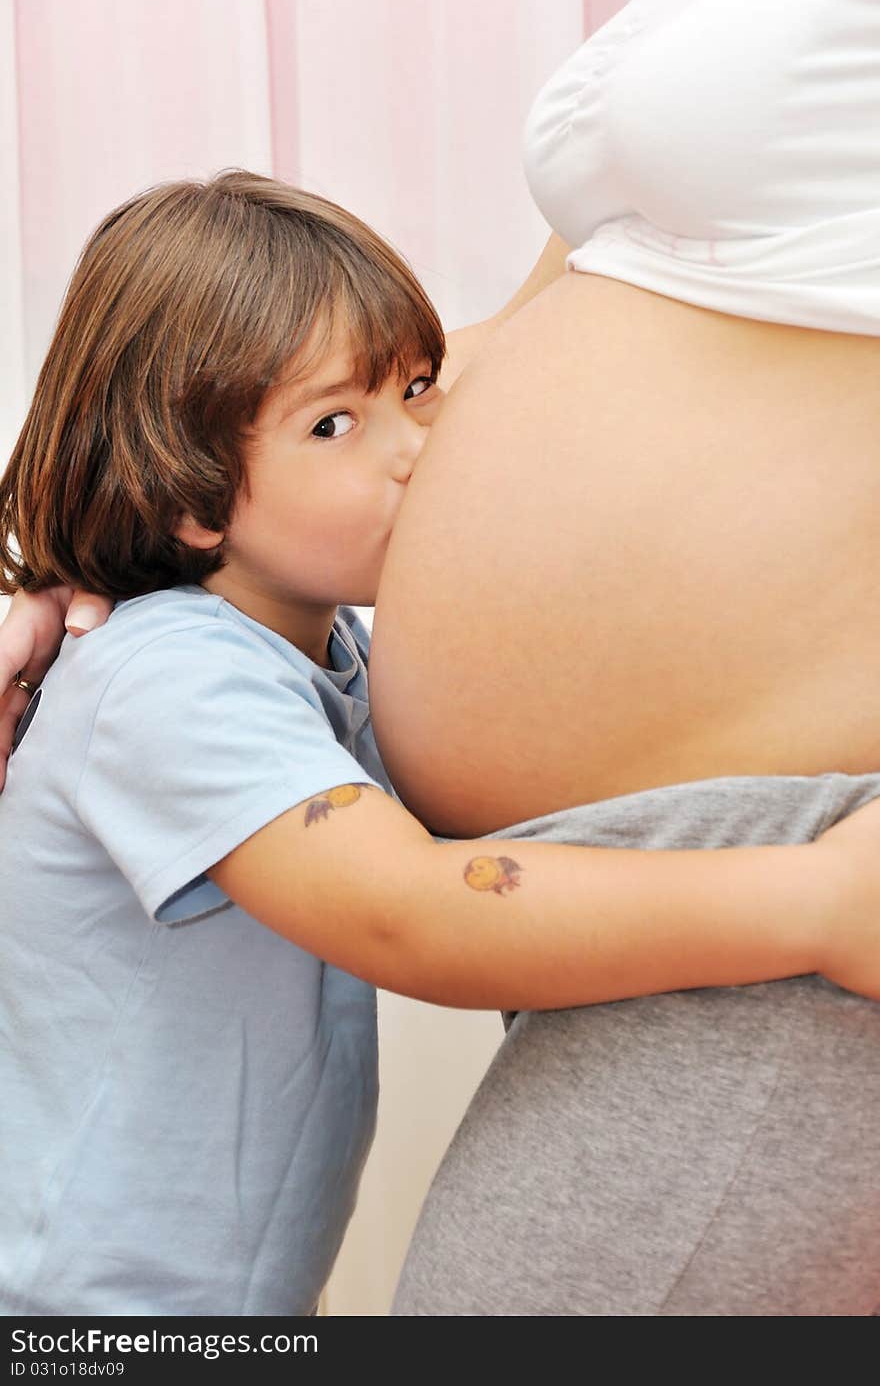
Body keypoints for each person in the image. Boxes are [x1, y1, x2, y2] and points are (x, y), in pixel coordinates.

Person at [6, 172, 879, 1317]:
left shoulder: (311, 653)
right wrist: (812, 903)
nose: (416, 446)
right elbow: (408, 910)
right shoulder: (168, 677)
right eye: (336, 424)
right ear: (189, 495)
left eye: (419, 389)